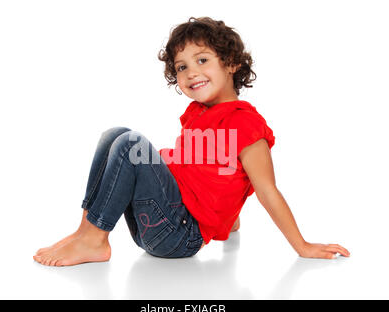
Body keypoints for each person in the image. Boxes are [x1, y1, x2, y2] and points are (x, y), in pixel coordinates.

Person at [33, 17, 350, 267]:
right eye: (182, 67)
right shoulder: (197, 114)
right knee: (115, 135)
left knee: (131, 144)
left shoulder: (246, 123)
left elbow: (265, 190)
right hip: (154, 227)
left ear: (231, 63)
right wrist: (231, 220)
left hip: (178, 236)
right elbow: (211, 174)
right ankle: (87, 230)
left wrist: (302, 246)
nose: (190, 73)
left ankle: (94, 240)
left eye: (202, 60)